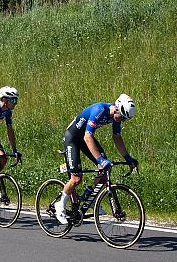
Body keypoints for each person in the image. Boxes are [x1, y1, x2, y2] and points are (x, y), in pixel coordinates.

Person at [54, 94, 138, 224]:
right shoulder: (100, 110)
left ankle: (91, 200)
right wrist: (100, 160)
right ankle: (60, 206)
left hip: (84, 138)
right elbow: (88, 137)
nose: (121, 120)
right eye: (122, 116)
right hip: (72, 138)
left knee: (105, 170)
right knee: (76, 179)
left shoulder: (116, 117)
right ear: (117, 108)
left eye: (124, 119)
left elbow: (117, 138)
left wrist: (128, 158)